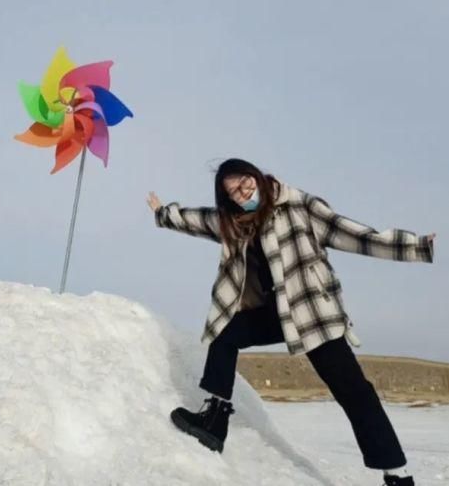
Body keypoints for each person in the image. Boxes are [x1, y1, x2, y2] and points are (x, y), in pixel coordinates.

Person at [147, 158, 435, 486]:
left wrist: (415, 245)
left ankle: (396, 474)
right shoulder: (233, 222)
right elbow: (196, 220)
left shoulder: (298, 205)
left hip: (311, 313)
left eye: (245, 184)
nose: (243, 194)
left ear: (256, 176)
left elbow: (351, 233)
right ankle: (214, 419)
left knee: (354, 391)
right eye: (234, 193)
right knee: (225, 331)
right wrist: (163, 213)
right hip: (274, 314)